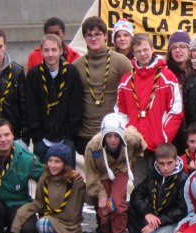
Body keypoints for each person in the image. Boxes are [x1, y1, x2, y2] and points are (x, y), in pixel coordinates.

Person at [83, 113, 146, 233]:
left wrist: (134, 158)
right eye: (109, 136)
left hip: (121, 168)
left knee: (118, 205)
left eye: (116, 136)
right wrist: (101, 195)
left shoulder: (130, 138)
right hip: (102, 172)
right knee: (104, 208)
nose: (112, 140)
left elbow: (140, 144)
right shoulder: (92, 146)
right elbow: (91, 175)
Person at [11, 143, 86, 233]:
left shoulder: (75, 181)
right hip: (52, 221)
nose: (52, 165)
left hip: (69, 225)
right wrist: (20, 216)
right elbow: (39, 202)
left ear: (65, 164)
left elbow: (88, 199)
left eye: (57, 161)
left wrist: (86, 184)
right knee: (43, 222)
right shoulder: (45, 178)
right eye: (50, 161)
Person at [116, 32, 183, 166]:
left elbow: (176, 111)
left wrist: (164, 137)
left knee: (157, 183)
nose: (142, 54)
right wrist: (128, 135)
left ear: (152, 49)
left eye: (145, 49)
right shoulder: (126, 80)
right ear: (133, 53)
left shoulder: (167, 77)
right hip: (135, 145)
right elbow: (120, 112)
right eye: (138, 51)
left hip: (159, 145)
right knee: (138, 185)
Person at [73, 16, 133, 155]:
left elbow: (134, 93)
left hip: (114, 133)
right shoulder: (76, 65)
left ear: (105, 35)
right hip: (86, 135)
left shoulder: (121, 62)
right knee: (91, 176)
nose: (93, 38)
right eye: (89, 35)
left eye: (98, 34)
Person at [24, 33, 83, 163]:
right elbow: (31, 108)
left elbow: (76, 106)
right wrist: (37, 137)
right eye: (46, 50)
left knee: (67, 179)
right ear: (41, 52)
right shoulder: (34, 75)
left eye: (54, 50)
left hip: (66, 138)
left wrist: (70, 136)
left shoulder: (71, 72)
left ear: (61, 50)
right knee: (43, 179)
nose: (50, 54)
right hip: (42, 139)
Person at [128, 143, 188, 233]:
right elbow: (136, 194)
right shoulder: (153, 173)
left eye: (169, 163)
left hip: (173, 221)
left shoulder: (183, 179)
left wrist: (157, 222)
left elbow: (181, 210)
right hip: (155, 216)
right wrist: (147, 213)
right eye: (161, 164)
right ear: (156, 162)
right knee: (127, 207)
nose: (165, 168)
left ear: (176, 161)